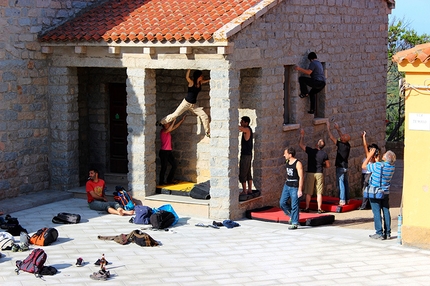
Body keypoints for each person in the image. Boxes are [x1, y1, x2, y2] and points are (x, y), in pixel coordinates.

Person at [160, 69, 211, 137]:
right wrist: (189, 69)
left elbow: (204, 81)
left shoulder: (200, 83)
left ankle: (207, 132)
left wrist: (210, 80)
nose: (202, 76)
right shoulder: (192, 83)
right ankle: (162, 121)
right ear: (198, 76)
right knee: (175, 114)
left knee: (204, 116)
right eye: (201, 75)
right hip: (186, 103)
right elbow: (187, 77)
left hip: (193, 105)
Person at [362, 148, 396, 240]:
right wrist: (377, 161)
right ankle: (388, 233)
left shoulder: (377, 166)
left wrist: (370, 155)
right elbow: (381, 166)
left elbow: (364, 166)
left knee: (376, 212)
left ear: (386, 157)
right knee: (386, 211)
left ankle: (379, 232)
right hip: (385, 192)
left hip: (375, 192)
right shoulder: (392, 167)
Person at [299, 128, 330, 213]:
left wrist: (302, 135)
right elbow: (328, 165)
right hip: (319, 173)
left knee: (309, 192)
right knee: (319, 192)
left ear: (317, 145)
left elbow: (301, 145)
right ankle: (319, 208)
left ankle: (307, 207)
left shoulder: (311, 151)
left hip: (310, 173)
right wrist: (322, 165)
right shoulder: (324, 154)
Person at [326, 121, 351, 206]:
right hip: (346, 166)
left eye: (343, 136)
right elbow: (342, 137)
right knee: (346, 182)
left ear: (343, 140)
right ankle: (347, 199)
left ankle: (342, 200)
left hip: (340, 166)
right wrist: (337, 129)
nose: (342, 136)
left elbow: (331, 137)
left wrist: (328, 128)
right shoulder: (348, 145)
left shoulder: (341, 145)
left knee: (341, 183)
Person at [279, 147, 304, 230]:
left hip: (294, 186)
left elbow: (301, 177)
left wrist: (300, 189)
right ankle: (292, 216)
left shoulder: (298, 163)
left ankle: (295, 222)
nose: (284, 155)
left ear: (290, 154)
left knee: (294, 205)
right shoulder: (287, 161)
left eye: (285, 153)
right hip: (287, 185)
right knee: (282, 202)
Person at [159, 115, 186, 185]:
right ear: (164, 125)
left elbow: (175, 127)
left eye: (168, 123)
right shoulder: (163, 131)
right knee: (164, 167)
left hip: (168, 152)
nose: (168, 124)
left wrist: (182, 120)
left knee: (174, 165)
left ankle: (169, 180)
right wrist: (174, 121)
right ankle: (161, 182)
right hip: (163, 152)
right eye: (167, 123)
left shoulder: (168, 131)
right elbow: (170, 128)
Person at [359, 131, 381, 210]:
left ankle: (364, 205)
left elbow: (365, 146)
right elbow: (366, 146)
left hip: (367, 174)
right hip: (366, 174)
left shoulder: (370, 156)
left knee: (365, 189)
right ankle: (368, 204)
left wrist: (364, 137)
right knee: (367, 189)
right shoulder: (375, 157)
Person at [238, 116, 253, 195]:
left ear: (246, 123)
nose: (241, 123)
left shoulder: (247, 129)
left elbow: (240, 128)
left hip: (245, 155)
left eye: (242, 121)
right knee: (248, 172)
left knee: (243, 172)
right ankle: (249, 189)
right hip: (248, 155)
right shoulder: (248, 130)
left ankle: (244, 191)